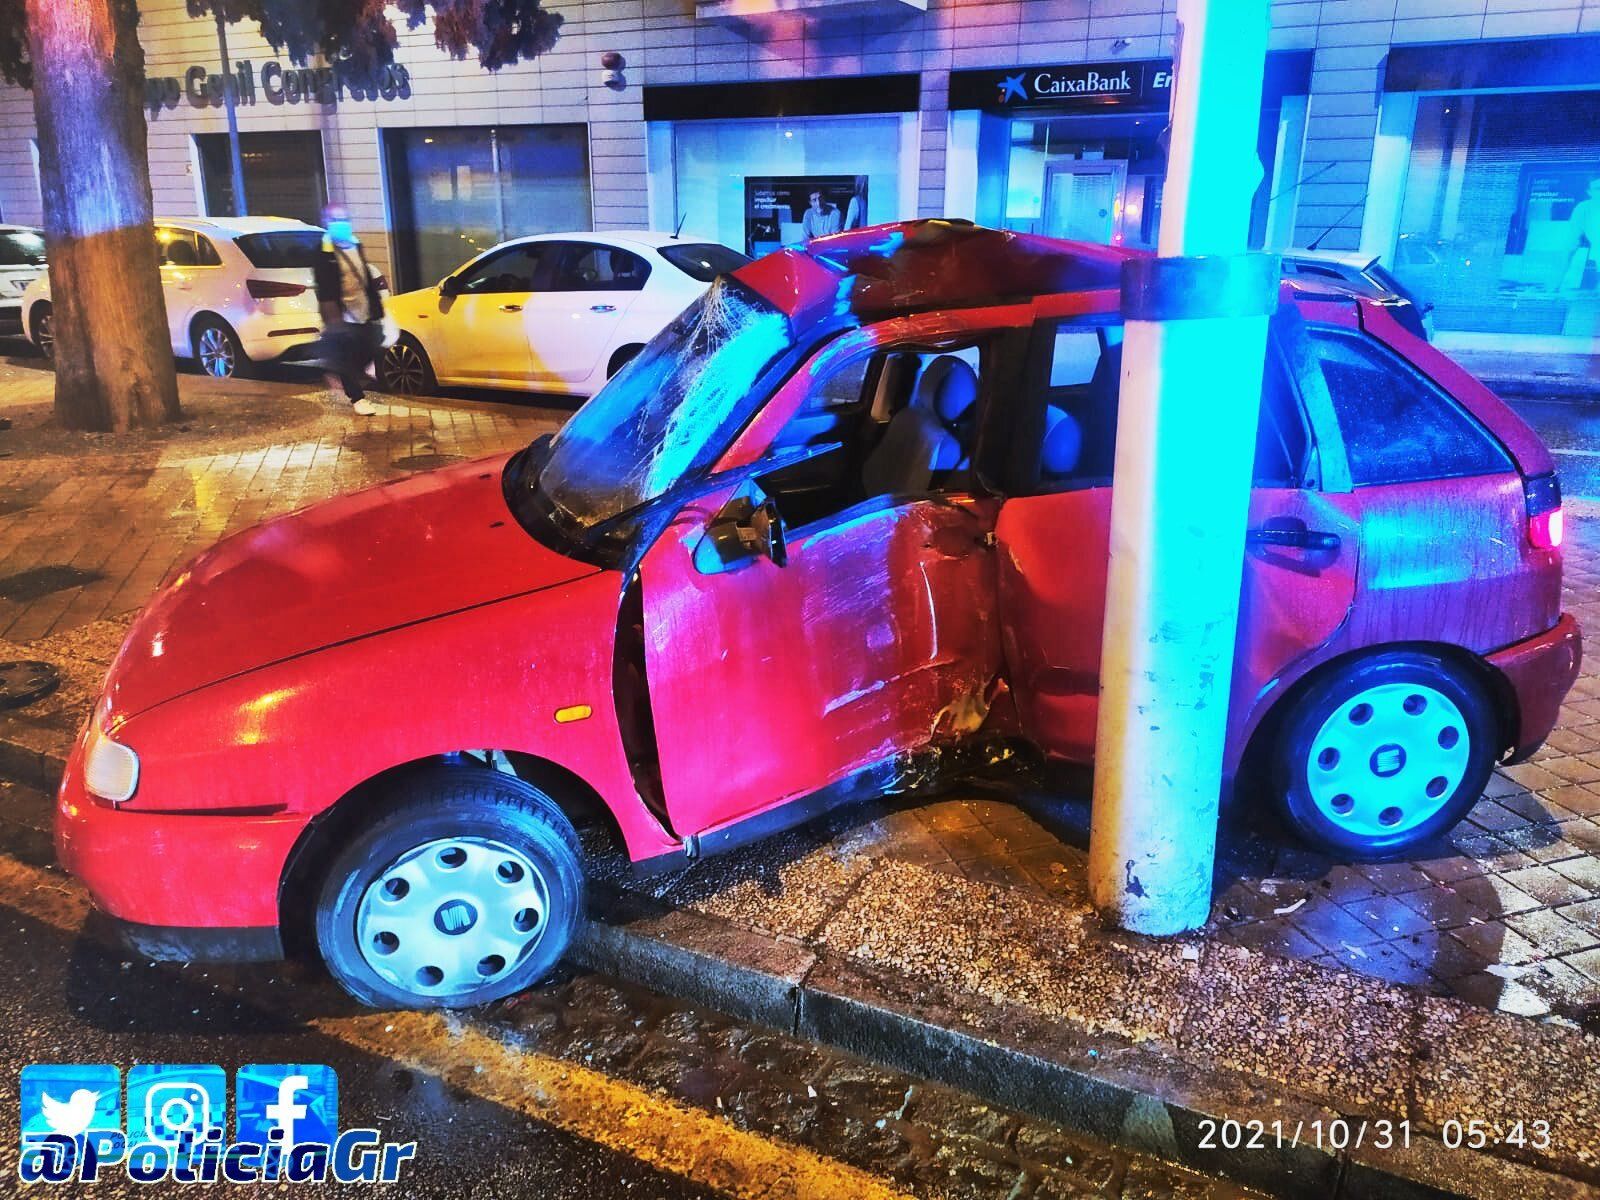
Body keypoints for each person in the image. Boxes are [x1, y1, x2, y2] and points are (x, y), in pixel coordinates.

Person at [314, 203, 387, 416]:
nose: (340, 223)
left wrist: (377, 308)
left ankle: (335, 369)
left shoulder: (356, 244)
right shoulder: (323, 252)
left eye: (343, 218)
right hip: (342, 314)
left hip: (363, 310)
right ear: (326, 223)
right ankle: (357, 397)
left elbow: (364, 276)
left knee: (371, 347)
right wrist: (333, 318)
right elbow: (325, 288)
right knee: (346, 355)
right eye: (334, 219)